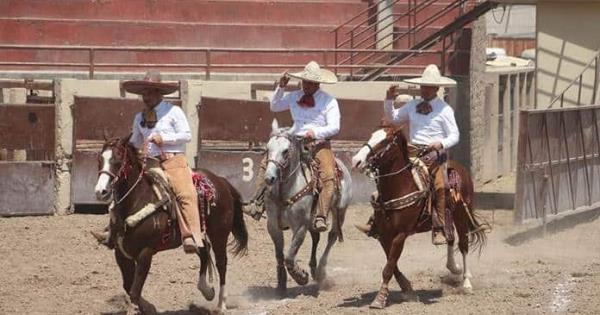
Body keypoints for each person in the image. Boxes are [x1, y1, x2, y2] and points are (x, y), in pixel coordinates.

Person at [91, 70, 204, 253]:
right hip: (148, 162)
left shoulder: (174, 111)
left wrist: (164, 139)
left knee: (185, 193)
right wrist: (122, 145)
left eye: (149, 93)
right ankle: (113, 231)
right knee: (123, 188)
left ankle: (191, 235)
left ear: (159, 93)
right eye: (143, 93)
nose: (145, 97)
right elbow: (135, 141)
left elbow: (187, 135)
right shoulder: (140, 117)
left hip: (173, 162)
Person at [356, 64, 459, 245]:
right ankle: (375, 221)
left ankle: (439, 227)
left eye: (428, 86)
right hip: (411, 151)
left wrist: (441, 143)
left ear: (436, 88)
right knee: (388, 177)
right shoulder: (412, 105)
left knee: (440, 185)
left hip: (434, 154)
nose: (424, 89)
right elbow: (394, 118)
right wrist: (389, 100)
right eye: (423, 86)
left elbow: (455, 135)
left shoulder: (445, 109)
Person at [243, 61, 340, 232]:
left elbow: (335, 126)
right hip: (294, 140)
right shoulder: (295, 95)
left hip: (318, 143)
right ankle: (256, 203)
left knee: (328, 175)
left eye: (310, 83)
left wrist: (315, 132)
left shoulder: (329, 101)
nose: (306, 85)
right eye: (304, 82)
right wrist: (280, 88)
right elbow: (274, 106)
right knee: (268, 162)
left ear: (318, 84)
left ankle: (321, 216)